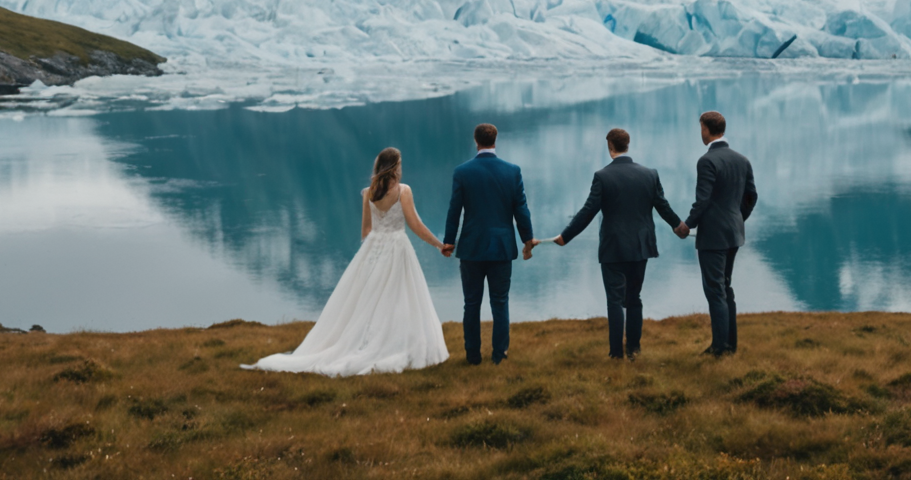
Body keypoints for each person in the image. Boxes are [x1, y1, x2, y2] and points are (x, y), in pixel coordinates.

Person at [244, 147, 449, 375]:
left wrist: (374, 248)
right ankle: (391, 343)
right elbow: (416, 225)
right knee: (398, 298)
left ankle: (365, 342)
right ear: (395, 167)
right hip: (397, 248)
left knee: (367, 301)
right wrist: (439, 245)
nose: (402, 168)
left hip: (374, 250)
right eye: (400, 164)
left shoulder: (369, 192)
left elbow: (366, 231)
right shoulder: (403, 191)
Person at [545, 127, 681, 359]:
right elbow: (662, 206)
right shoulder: (650, 174)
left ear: (610, 147)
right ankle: (634, 350)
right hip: (641, 246)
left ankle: (616, 354)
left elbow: (588, 212)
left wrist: (565, 236)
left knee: (615, 301)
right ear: (628, 145)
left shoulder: (602, 176)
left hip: (614, 247)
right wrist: (679, 226)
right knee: (634, 298)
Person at [441, 122, 535, 364]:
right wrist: (527, 240)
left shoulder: (462, 172)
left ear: (476, 141)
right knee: (500, 302)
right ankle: (499, 355)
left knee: (471, 303)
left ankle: (472, 356)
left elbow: (455, 211)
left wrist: (449, 242)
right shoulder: (512, 171)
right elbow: (521, 210)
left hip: (471, 247)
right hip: (502, 247)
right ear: (495, 140)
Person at [676, 110, 756, 356]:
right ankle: (730, 345)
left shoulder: (707, 161)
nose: (700, 132)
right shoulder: (742, 159)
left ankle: (719, 348)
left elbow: (703, 201)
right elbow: (751, 197)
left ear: (706, 129)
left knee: (714, 291)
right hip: (734, 234)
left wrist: (686, 225)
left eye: (701, 128)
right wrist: (736, 219)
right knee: (726, 288)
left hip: (713, 237)